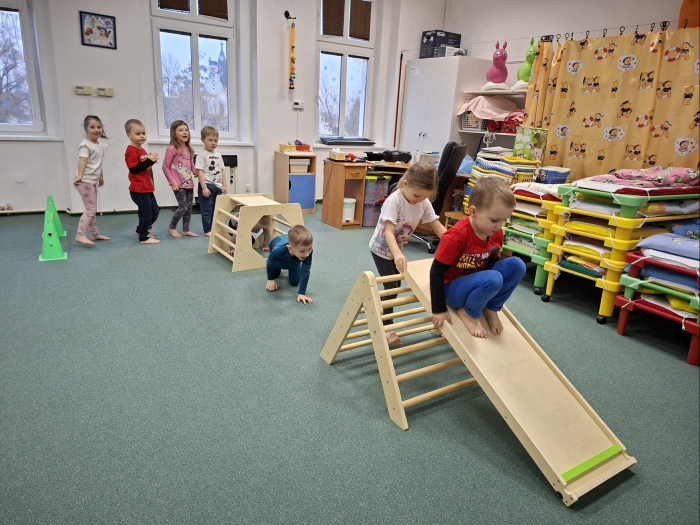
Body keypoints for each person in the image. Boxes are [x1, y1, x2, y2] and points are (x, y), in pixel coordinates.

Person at [430, 176, 526, 338]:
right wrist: (438, 309)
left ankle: (491, 308)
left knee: (517, 265)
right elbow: (436, 272)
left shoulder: (495, 233)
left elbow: (492, 262)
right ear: (473, 211)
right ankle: (468, 313)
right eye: (494, 220)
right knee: (494, 278)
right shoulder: (455, 236)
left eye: (503, 221)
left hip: (477, 282)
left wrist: (489, 288)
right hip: (452, 290)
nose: (499, 226)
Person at [368, 162, 446, 345]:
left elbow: (436, 225)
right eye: (417, 195)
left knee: (395, 286)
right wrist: (397, 255)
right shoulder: (393, 201)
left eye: (425, 197)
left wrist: (454, 242)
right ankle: (387, 327)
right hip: (381, 249)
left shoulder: (422, 201)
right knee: (392, 287)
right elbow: (388, 232)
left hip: (397, 250)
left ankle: (380, 307)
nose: (420, 200)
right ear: (405, 184)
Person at [73, 115, 111, 245]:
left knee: (92, 209)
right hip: (84, 181)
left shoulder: (101, 145)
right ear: (86, 129)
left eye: (99, 127)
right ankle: (80, 235)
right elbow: (83, 161)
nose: (96, 130)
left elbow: (98, 163)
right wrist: (80, 176)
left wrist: (101, 176)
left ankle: (94, 234)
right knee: (90, 209)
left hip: (92, 180)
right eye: (92, 127)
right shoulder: (85, 145)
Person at [125, 119, 160, 244]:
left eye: (143, 133)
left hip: (147, 187)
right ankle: (143, 237)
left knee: (155, 211)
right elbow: (134, 169)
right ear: (129, 136)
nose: (142, 136)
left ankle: (141, 230)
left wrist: (152, 161)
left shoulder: (142, 150)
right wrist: (149, 161)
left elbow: (144, 167)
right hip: (139, 189)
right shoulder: (131, 150)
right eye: (138, 134)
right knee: (146, 213)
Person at [162, 120, 198, 238]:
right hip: (178, 183)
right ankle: (171, 228)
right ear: (174, 133)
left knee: (189, 207)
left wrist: (195, 171)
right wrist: (172, 182)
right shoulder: (172, 148)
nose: (185, 132)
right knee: (183, 207)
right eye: (181, 130)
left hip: (189, 182)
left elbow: (191, 163)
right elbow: (165, 166)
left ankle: (186, 229)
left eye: (186, 130)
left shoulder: (188, 148)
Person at [266, 225, 313, 304]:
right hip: (277, 246)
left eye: (310, 249)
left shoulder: (307, 251)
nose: (307, 254)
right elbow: (270, 262)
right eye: (302, 251)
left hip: (294, 260)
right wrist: (270, 279)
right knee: (276, 275)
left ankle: (292, 264)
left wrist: (301, 293)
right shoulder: (277, 251)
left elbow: (305, 271)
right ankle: (279, 268)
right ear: (290, 248)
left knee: (295, 282)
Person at [195, 126, 227, 236]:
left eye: (216, 140)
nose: (213, 143)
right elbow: (200, 172)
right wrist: (204, 187)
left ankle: (214, 227)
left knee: (216, 208)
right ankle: (207, 230)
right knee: (207, 209)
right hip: (207, 185)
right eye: (210, 140)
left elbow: (222, 171)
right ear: (202, 140)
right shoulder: (201, 155)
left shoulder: (218, 155)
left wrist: (224, 185)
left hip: (217, 186)